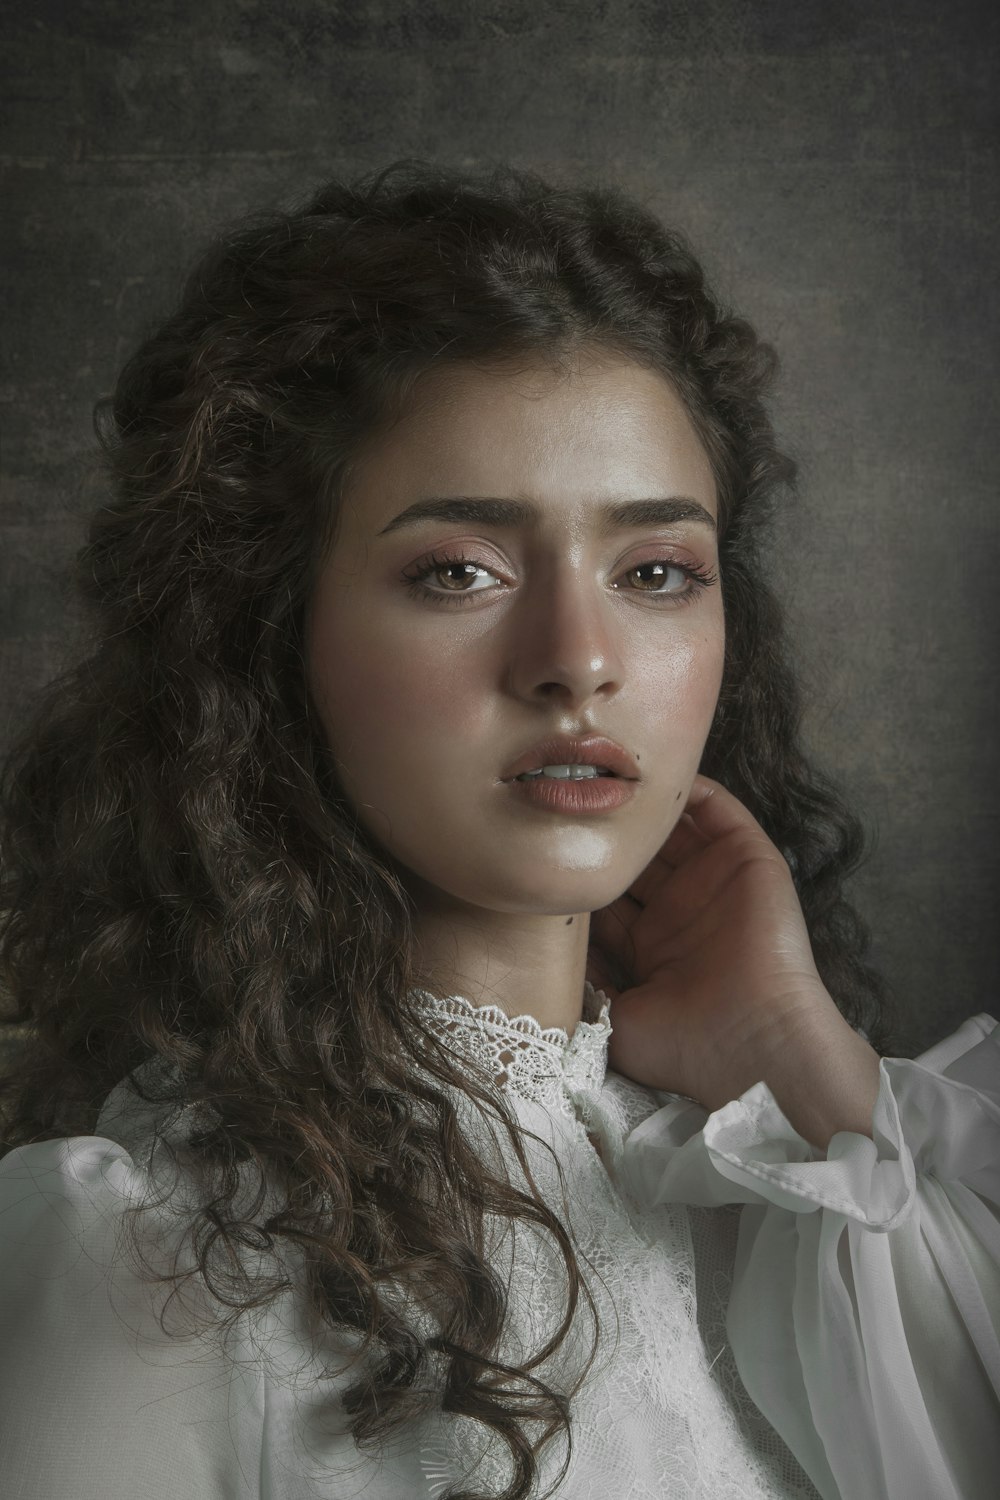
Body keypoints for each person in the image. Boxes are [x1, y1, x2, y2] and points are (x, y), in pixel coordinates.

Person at [0, 160, 996, 1500]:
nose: (577, 662)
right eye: (457, 571)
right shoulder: (165, 1260)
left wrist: (800, 1063)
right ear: (266, 634)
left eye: (654, 572)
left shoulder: (800, 1182)